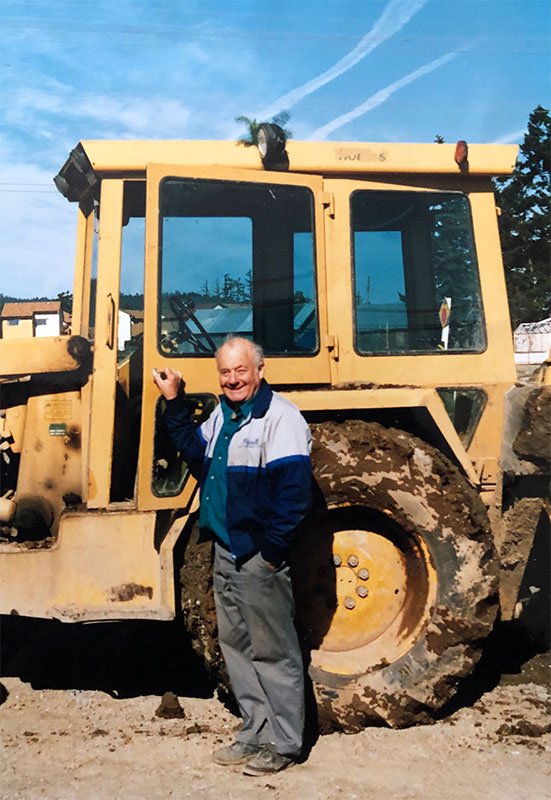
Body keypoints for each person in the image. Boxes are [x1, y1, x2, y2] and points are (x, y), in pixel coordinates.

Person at [153, 336, 312, 776]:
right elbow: (195, 455)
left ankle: (285, 743)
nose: (233, 379)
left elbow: (295, 495)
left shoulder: (281, 419)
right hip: (226, 548)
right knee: (237, 647)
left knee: (272, 650)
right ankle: (254, 732)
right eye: (225, 372)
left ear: (260, 370)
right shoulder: (225, 414)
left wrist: (272, 552)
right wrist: (175, 401)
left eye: (241, 370)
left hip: (257, 554)